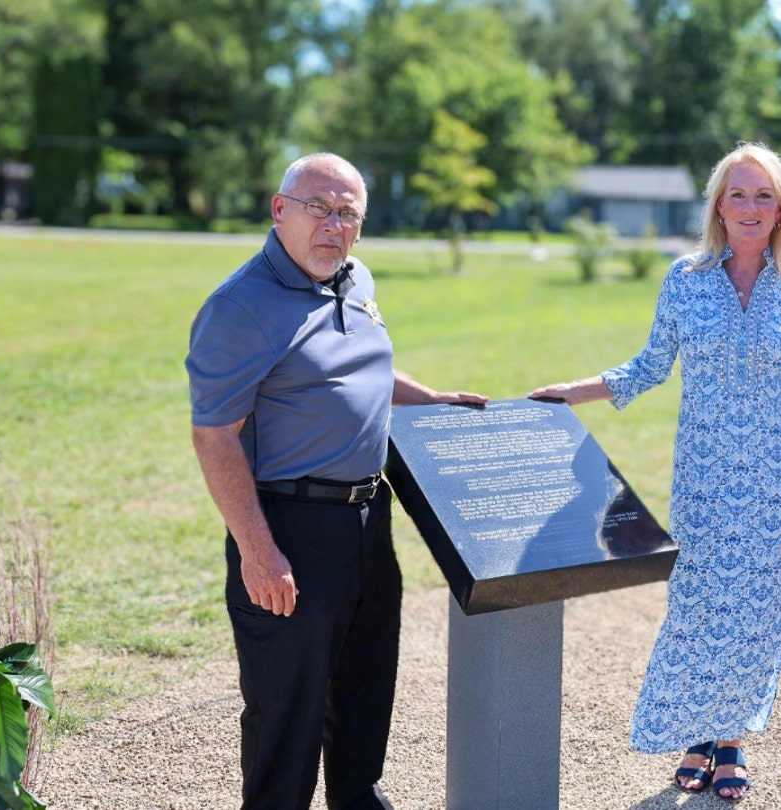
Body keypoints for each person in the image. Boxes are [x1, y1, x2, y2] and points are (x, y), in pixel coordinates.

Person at [529, 142, 781, 803]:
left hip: (777, 484)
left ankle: (730, 742)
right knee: (698, 609)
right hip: (701, 480)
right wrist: (571, 392)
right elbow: (649, 366)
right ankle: (699, 735)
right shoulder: (686, 278)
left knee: (757, 612)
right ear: (719, 207)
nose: (751, 207)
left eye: (763, 195)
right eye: (738, 194)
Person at [186, 152, 487, 810]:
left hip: (366, 520)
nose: (334, 225)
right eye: (319, 208)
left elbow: (364, 371)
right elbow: (214, 435)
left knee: (363, 687)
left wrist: (431, 398)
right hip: (289, 527)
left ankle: (357, 799)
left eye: (349, 212)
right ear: (280, 209)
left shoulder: (355, 279)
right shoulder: (242, 307)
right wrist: (259, 553)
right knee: (285, 713)